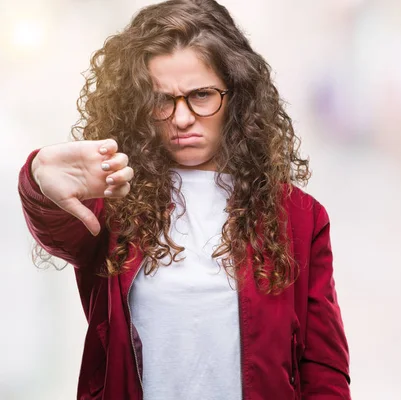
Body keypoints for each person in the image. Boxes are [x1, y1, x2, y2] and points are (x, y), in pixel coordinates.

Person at [17, 0, 350, 399]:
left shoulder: (298, 217)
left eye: (201, 95)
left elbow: (323, 367)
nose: (181, 118)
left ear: (237, 95)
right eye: (162, 100)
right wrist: (36, 178)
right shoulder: (114, 199)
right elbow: (60, 228)